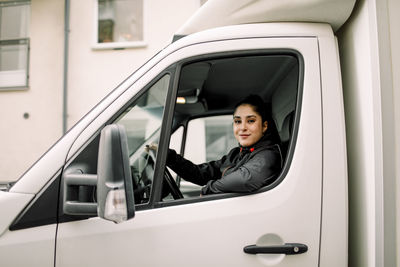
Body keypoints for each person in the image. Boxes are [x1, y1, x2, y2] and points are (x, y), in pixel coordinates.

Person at [166, 94, 282, 195]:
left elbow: (245, 179)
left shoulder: (269, 155)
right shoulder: (236, 154)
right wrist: (169, 157)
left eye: (250, 121)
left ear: (264, 126)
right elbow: (201, 174)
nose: (242, 128)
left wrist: (209, 189)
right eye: (237, 121)